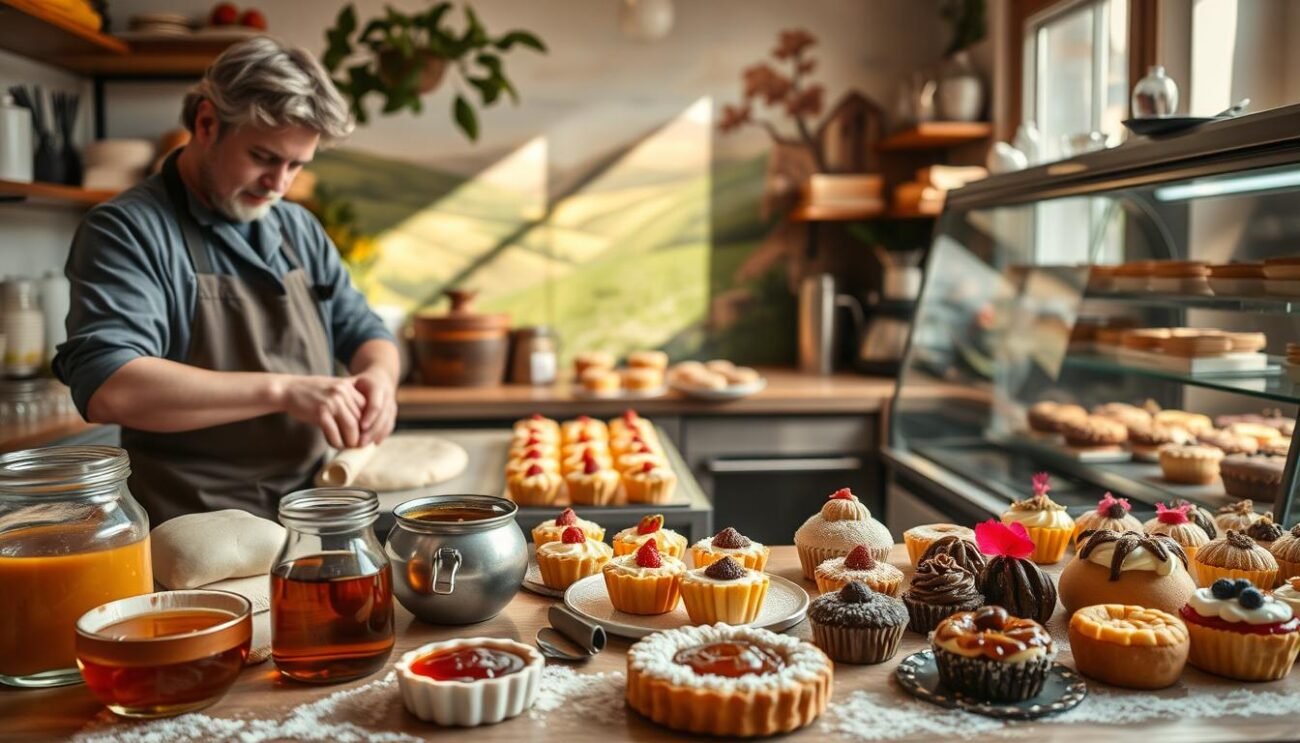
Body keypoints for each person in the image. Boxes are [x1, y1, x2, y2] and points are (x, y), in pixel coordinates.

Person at [54, 37, 399, 523]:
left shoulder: (297, 227)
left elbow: (365, 331)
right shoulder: (126, 230)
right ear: (207, 123)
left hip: (309, 512)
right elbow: (112, 387)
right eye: (263, 157)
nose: (279, 184)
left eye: (296, 164)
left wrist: (380, 379)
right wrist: (284, 390)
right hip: (191, 525)